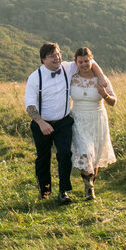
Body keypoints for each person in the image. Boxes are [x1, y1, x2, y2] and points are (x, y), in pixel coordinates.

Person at [24, 42, 108, 204]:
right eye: (51, 56)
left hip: (63, 122)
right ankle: (45, 191)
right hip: (42, 123)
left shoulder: (67, 68)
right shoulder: (35, 77)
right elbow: (30, 104)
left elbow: (91, 61)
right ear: (43, 60)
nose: (57, 58)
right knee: (43, 157)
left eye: (58, 54)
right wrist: (41, 122)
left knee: (64, 154)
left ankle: (63, 192)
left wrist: (101, 76)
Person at [69, 47, 117, 200]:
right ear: (76, 62)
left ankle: (90, 187)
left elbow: (113, 102)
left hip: (97, 118)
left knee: (94, 156)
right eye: (80, 62)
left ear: (91, 60)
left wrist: (104, 95)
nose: (84, 64)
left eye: (86, 61)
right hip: (77, 119)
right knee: (84, 152)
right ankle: (89, 186)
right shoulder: (71, 77)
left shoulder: (101, 79)